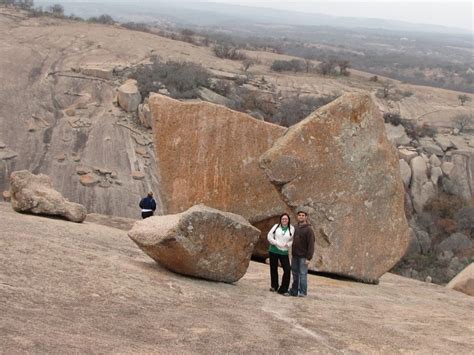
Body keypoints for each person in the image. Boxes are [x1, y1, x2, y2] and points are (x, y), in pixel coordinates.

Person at [289, 209, 315, 297]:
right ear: (297, 217)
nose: (301, 217)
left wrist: (309, 258)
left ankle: (303, 292)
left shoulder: (309, 229)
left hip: (304, 256)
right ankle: (294, 291)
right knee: (295, 274)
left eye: (303, 215)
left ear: (306, 217)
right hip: (295, 255)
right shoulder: (295, 228)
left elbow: (311, 244)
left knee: (303, 274)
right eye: (299, 215)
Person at [267, 213, 294, 296]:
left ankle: (283, 289)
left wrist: (288, 245)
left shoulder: (291, 228)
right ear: (280, 220)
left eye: (286, 219)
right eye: (283, 219)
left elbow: (292, 239)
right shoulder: (276, 227)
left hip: (284, 251)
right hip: (274, 250)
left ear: (288, 220)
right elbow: (269, 236)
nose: (284, 220)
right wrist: (275, 243)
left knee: (287, 269)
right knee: (273, 268)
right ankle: (274, 286)